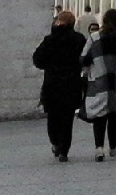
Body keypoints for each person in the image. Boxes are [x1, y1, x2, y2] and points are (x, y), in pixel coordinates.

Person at [78, 9, 116, 162]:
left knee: (99, 114)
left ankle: (99, 148)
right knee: (114, 113)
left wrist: (87, 68)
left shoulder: (94, 38)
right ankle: (113, 146)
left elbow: (83, 57)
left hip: (99, 81)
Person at [32, 10, 87, 161]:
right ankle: (64, 150)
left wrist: (50, 66)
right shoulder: (79, 39)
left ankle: (55, 142)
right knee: (67, 119)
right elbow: (86, 59)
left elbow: (37, 59)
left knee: (53, 116)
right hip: (71, 83)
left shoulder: (49, 40)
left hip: (52, 84)